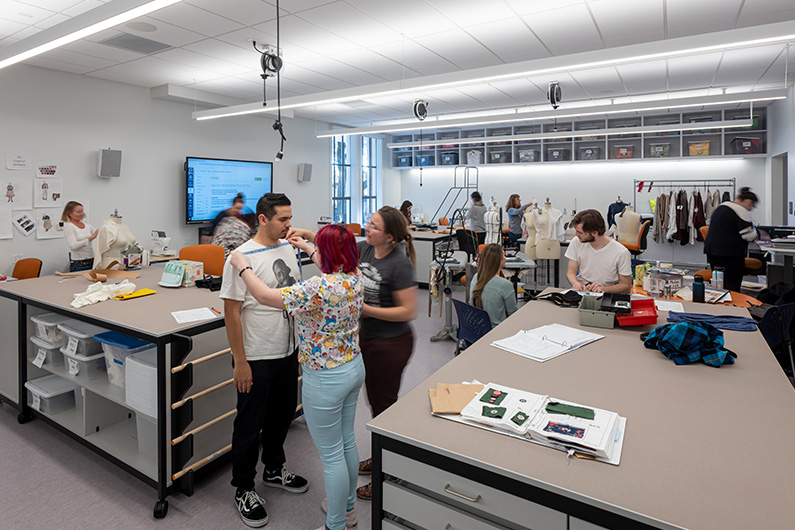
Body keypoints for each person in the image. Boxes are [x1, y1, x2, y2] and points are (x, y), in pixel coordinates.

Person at [229, 224, 364, 530]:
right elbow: (324, 257)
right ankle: (349, 509)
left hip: (326, 379)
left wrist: (243, 266)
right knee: (347, 443)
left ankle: (336, 524)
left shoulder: (317, 289)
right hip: (353, 367)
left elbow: (264, 296)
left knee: (331, 457)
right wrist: (305, 245)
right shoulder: (355, 275)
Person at [220, 193, 309, 529]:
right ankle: (243, 487)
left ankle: (273, 468)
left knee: (282, 415)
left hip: (288, 350)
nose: (289, 224)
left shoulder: (287, 247)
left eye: (289, 217)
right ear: (262, 219)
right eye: (283, 219)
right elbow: (231, 312)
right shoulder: (240, 257)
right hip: (256, 355)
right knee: (248, 423)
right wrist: (239, 361)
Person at [356, 205, 418, 501]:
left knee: (383, 408)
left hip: (391, 344)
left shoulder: (399, 263)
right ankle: (379, 458)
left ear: (390, 236)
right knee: (375, 404)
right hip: (369, 339)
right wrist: (306, 237)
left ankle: (387, 473)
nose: (367, 228)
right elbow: (332, 245)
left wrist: (366, 310)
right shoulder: (366, 249)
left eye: (374, 226)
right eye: (368, 222)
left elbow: (409, 310)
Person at [704, 187, 759, 292]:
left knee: (718, 283)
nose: (751, 209)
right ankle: (735, 307)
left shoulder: (722, 206)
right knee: (732, 284)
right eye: (752, 206)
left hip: (712, 250)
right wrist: (760, 234)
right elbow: (749, 236)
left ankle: (720, 305)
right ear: (748, 202)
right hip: (729, 253)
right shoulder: (740, 210)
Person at [565, 209, 632, 293]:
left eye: (579, 232)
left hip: (606, 294)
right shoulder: (577, 242)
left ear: (594, 233)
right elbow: (571, 272)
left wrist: (602, 289)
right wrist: (575, 283)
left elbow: (626, 286)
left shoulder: (621, 252)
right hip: (581, 292)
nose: (576, 235)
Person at [471, 244, 517, 327]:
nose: (505, 258)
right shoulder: (505, 285)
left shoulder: (476, 277)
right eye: (503, 255)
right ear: (498, 260)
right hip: (497, 332)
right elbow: (513, 316)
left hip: (478, 329)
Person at [61, 201, 98, 272]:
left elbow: (97, 233)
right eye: (78, 212)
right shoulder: (69, 226)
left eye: (82, 211)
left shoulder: (87, 224)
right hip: (78, 263)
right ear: (69, 214)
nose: (81, 214)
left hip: (91, 261)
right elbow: (73, 246)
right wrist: (90, 239)